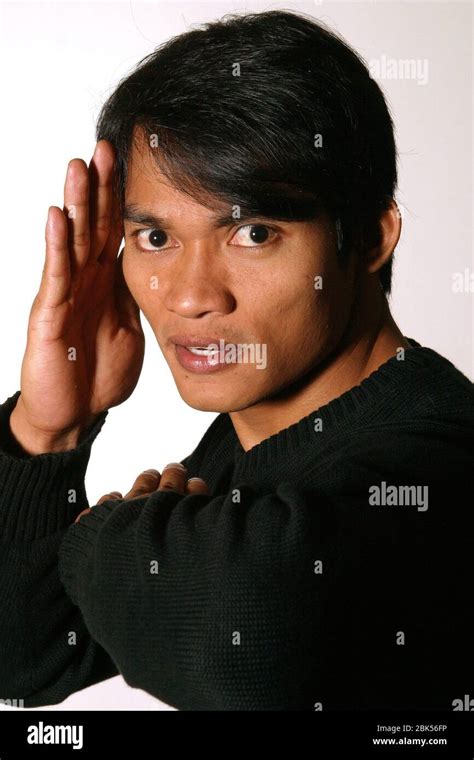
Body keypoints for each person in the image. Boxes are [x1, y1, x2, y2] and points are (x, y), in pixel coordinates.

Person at [0, 9, 472, 711]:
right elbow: (22, 659)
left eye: (253, 231)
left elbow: (243, 641)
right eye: (156, 236)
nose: (192, 297)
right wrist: (48, 432)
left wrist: (100, 535)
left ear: (371, 237)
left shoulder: (439, 464)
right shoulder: (242, 439)